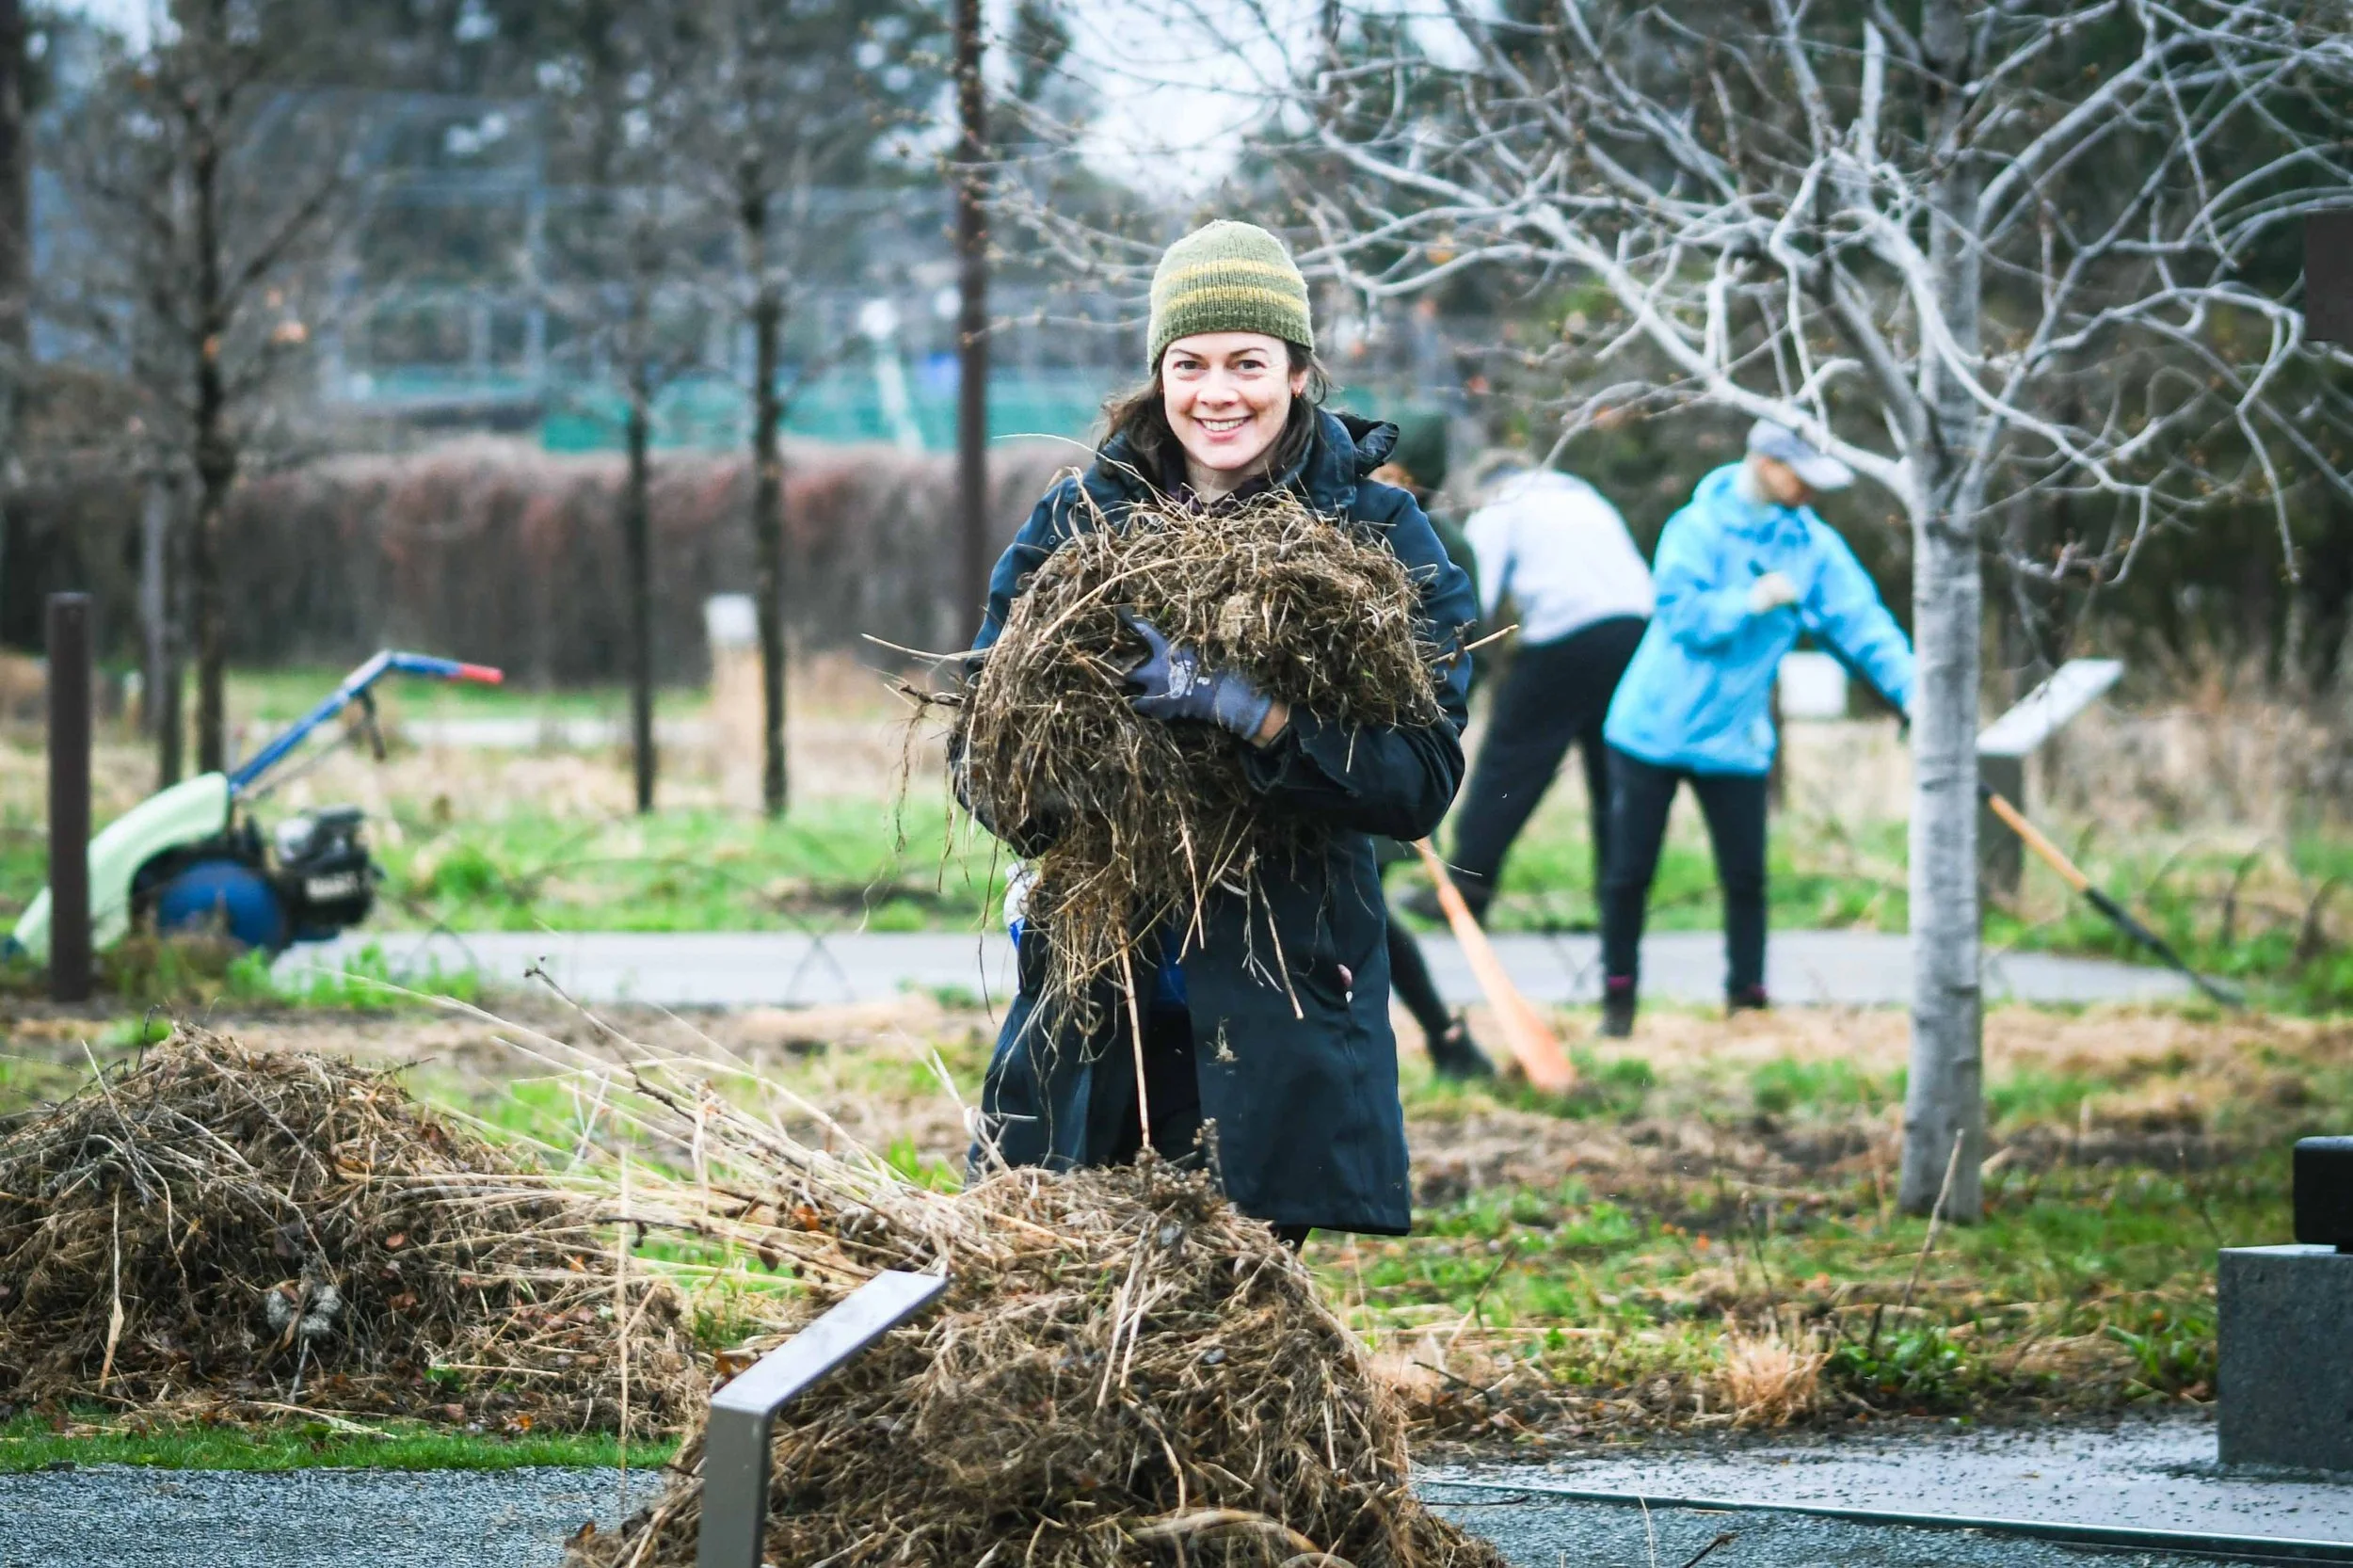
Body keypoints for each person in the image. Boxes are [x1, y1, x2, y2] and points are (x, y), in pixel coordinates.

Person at [967, 219, 1479, 1243]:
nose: (1217, 393)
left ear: (1297, 371)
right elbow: (982, 758)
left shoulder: (1372, 537)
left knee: (1233, 1318)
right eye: (1189, 363)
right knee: (1072, 1307)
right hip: (1100, 990)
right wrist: (1086, 780)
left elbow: (1416, 779)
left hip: (1276, 1001)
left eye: (1248, 362)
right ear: (1158, 375)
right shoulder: (1077, 525)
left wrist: (1252, 710)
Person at [1595, 419, 1914, 1037]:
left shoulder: (1813, 547)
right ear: (1765, 463)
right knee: (1629, 873)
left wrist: (1919, 696)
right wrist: (1751, 599)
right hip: (1651, 730)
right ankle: (1618, 1000)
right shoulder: (1695, 528)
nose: (1812, 492)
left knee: (1745, 878)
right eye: (1802, 476)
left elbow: (1864, 626)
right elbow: (1684, 617)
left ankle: (1747, 1001)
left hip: (1735, 741)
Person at [1421, 456, 1654, 924]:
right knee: (1613, 771)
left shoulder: (1505, 504)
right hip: (1637, 631)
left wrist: (1450, 661)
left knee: (1511, 761)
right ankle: (1619, 901)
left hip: (1567, 635)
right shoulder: (1585, 496)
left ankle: (1467, 889)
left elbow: (1472, 594)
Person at [1366, 414, 1494, 1080]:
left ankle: (1445, 1038)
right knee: (1361, 915)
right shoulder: (1344, 519)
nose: (1388, 488)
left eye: (1405, 480)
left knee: (1362, 913)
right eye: (1382, 474)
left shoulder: (1439, 547)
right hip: (1338, 749)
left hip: (1390, 757)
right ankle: (1448, 1040)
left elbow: (1465, 652)